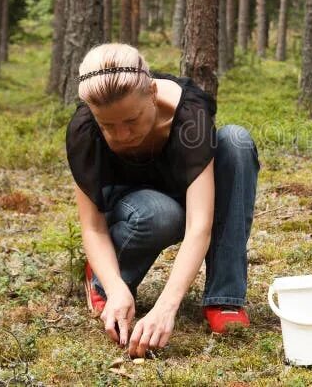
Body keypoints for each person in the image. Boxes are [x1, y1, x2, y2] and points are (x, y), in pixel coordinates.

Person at [65, 43, 259, 357]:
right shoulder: (85, 130)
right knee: (160, 214)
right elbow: (93, 228)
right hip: (135, 207)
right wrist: (116, 288)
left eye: (131, 120)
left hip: (187, 195)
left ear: (152, 92)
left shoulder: (190, 115)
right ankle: (105, 280)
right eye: (108, 126)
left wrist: (166, 307)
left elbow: (200, 225)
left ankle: (224, 298)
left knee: (235, 141)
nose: (123, 135)